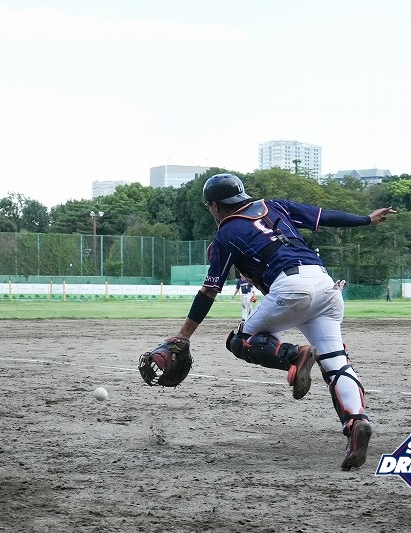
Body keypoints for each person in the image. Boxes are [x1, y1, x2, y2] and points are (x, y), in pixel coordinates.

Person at [166, 173, 396, 470]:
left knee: (240, 340)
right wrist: (366, 219)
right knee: (336, 363)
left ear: (215, 206)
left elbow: (210, 290)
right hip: (325, 284)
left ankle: (295, 355)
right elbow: (324, 216)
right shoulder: (274, 206)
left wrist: (184, 335)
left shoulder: (226, 233)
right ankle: (356, 422)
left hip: (291, 288)